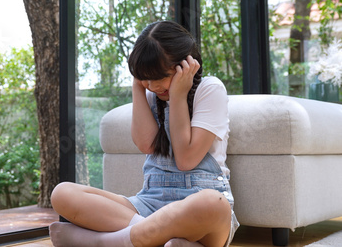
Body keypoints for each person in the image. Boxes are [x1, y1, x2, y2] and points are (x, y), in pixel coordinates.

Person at [49, 21, 239, 247]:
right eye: (146, 78)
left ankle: (106, 242)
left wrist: (178, 96)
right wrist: (138, 86)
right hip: (148, 204)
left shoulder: (209, 89)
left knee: (212, 203)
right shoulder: (152, 94)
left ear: (185, 65)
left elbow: (186, 160)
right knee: (63, 193)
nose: (152, 85)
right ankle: (154, 238)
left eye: (158, 76)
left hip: (197, 208)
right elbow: (146, 144)